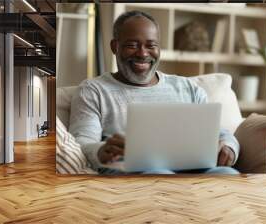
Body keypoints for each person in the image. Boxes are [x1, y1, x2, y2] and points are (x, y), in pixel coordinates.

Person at [69, 10, 240, 175]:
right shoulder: (93, 90)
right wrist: (102, 150)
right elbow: (82, 144)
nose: (143, 53)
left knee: (227, 174)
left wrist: (228, 147)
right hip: (131, 172)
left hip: (192, 169)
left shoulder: (189, 89)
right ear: (115, 46)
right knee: (159, 174)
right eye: (132, 45)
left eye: (151, 45)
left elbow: (218, 132)